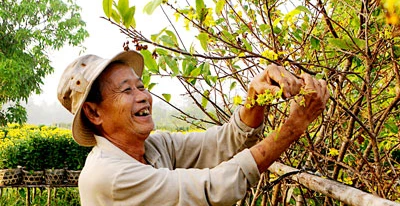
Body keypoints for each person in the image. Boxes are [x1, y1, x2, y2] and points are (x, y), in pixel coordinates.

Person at [57, 50, 329, 206]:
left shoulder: (152, 147)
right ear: (94, 112)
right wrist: (294, 127)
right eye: (126, 90)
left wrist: (255, 101)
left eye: (140, 86)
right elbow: (212, 188)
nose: (142, 96)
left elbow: (220, 143)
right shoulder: (109, 176)